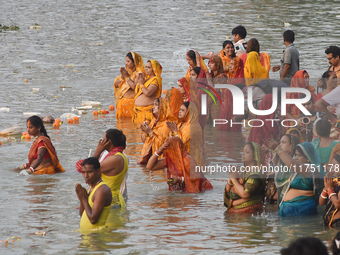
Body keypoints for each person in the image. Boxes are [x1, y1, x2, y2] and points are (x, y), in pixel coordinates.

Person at [75, 129, 129, 207]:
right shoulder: (120, 156)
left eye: (103, 139)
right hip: (108, 199)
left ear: (109, 142)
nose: (101, 142)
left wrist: (98, 151)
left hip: (107, 201)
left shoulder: (115, 159)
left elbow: (86, 167)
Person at [146, 137, 213, 193]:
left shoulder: (187, 160)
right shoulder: (170, 160)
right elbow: (150, 166)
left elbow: (197, 178)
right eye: (167, 149)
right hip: (184, 190)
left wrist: (180, 180)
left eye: (171, 149)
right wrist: (160, 150)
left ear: (177, 149)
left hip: (203, 190)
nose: (168, 151)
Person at [273, 142, 322, 216]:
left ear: (308, 157)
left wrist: (278, 149)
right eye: (295, 155)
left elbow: (292, 163)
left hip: (303, 209)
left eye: (299, 155)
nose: (296, 158)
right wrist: (275, 151)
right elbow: (279, 164)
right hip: (287, 209)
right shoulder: (294, 171)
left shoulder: (311, 169)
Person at [224, 142, 266, 213]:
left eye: (247, 152)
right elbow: (227, 195)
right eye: (243, 151)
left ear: (255, 156)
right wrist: (231, 178)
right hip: (237, 214)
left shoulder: (255, 174)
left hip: (249, 214)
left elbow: (245, 194)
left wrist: (234, 180)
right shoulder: (243, 172)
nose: (243, 154)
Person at [76, 157, 112, 230]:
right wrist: (81, 199)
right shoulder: (90, 189)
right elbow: (83, 214)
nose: (86, 176)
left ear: (98, 171)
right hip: (88, 236)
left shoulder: (102, 190)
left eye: (89, 172)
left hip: (96, 237)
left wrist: (84, 199)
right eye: (83, 172)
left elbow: (93, 219)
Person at [138, 97, 177, 165]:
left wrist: (150, 133)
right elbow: (144, 141)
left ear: (162, 107)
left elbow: (163, 145)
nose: (153, 107)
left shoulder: (167, 125)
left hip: (160, 161)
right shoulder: (154, 121)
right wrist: (145, 131)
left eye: (156, 105)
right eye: (153, 105)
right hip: (148, 159)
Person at [166, 102, 204, 167]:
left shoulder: (194, 127)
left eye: (182, 110)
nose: (179, 112)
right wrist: (172, 132)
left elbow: (182, 143)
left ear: (189, 113)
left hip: (192, 163)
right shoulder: (182, 124)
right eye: (180, 110)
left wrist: (175, 131)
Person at [113, 52, 145, 118]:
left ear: (134, 62)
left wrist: (126, 77)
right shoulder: (128, 72)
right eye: (126, 61)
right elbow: (118, 84)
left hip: (131, 104)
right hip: (122, 104)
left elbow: (134, 86)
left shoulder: (139, 73)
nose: (126, 63)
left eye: (128, 61)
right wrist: (117, 83)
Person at [133, 60, 163, 124]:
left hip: (147, 113)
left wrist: (141, 84)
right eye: (146, 67)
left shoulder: (155, 80)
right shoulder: (146, 79)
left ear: (154, 69)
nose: (146, 69)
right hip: (138, 112)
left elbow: (148, 93)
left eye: (149, 67)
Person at [320, 148, 340, 227]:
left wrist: (330, 189)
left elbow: (337, 204)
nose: (332, 167)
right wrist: (326, 187)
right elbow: (321, 202)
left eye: (335, 165)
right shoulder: (334, 181)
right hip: (330, 225)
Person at [207, 56, 228, 124]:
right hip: (212, 105)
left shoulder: (221, 77)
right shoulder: (213, 77)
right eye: (209, 63)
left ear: (217, 64)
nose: (209, 65)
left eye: (212, 63)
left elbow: (214, 92)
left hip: (217, 106)